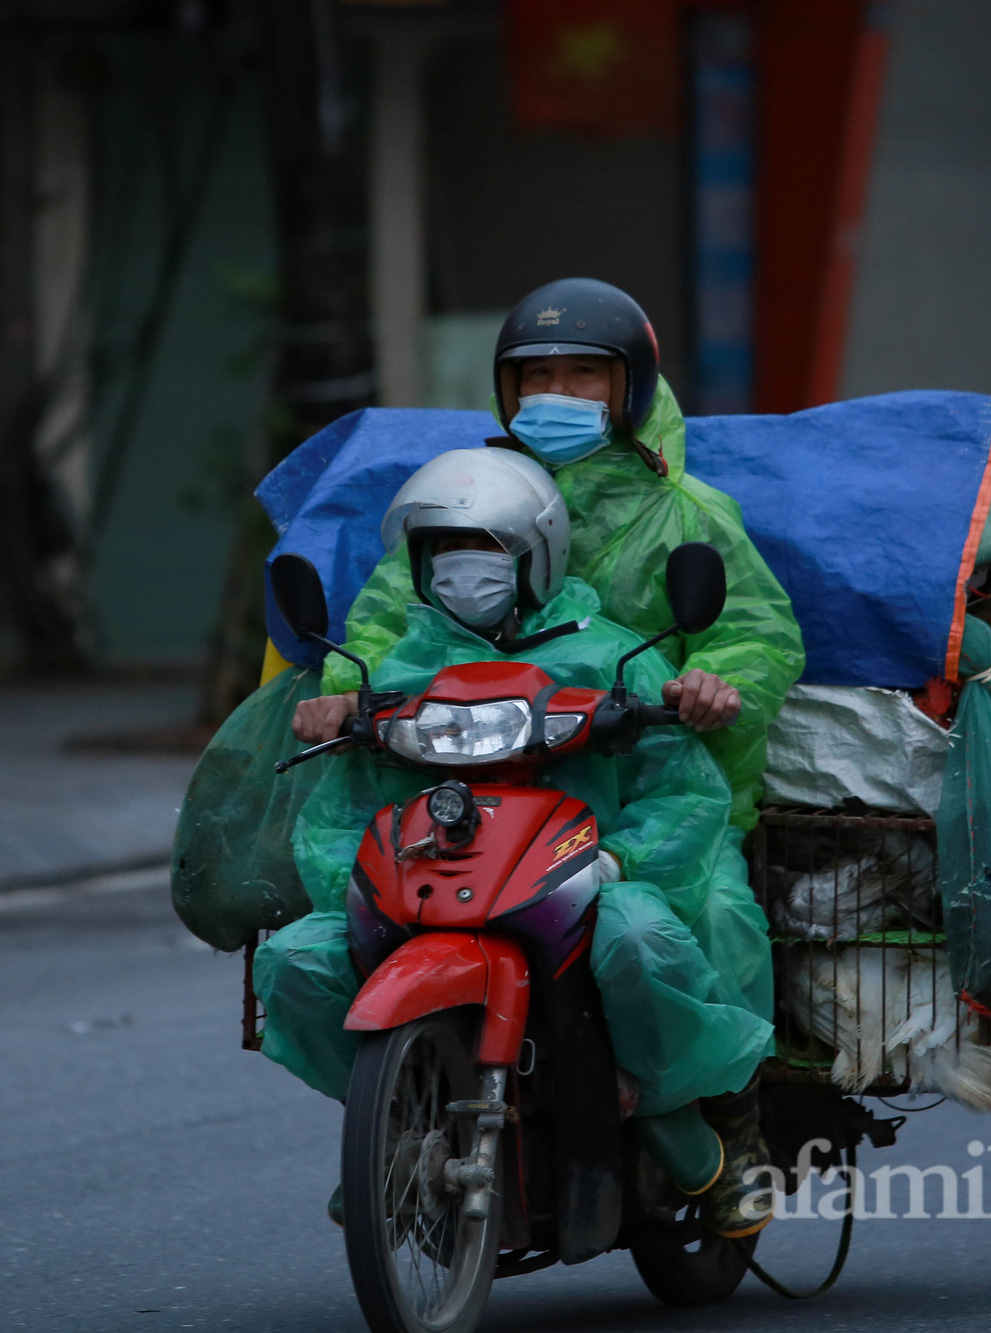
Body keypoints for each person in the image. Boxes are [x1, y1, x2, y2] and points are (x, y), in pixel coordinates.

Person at [258, 448, 776, 1238]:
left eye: (489, 551)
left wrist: (617, 861)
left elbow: (682, 796)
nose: (466, 570)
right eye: (444, 552)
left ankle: (672, 1116)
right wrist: (360, 879)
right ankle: (392, 1129)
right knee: (297, 958)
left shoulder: (612, 656)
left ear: (536, 557)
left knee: (639, 937)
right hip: (433, 889)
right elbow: (340, 816)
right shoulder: (392, 672)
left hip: (587, 878)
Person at [295, 278, 803, 837]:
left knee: (672, 921)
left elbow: (755, 633)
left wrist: (716, 681)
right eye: (537, 375)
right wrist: (346, 692)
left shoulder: (688, 515)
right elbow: (389, 617)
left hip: (643, 792)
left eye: (583, 373)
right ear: (510, 390)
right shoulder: (463, 500)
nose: (556, 392)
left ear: (629, 385)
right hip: (453, 779)